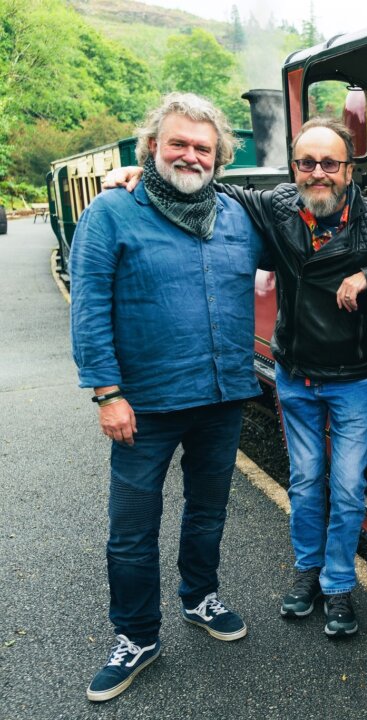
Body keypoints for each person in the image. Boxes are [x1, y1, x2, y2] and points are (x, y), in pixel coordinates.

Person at [108, 117, 367, 639]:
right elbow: (207, 182)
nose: (318, 173)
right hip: (294, 375)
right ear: (293, 169)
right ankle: (308, 570)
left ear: (348, 169)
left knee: (349, 485)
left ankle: (338, 586)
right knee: (307, 481)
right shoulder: (276, 207)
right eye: (306, 163)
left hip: (352, 379)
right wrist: (142, 173)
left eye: (329, 163)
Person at [71, 93, 263, 702]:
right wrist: (106, 392)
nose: (190, 155)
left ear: (219, 157)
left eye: (203, 147)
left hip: (221, 394)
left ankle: (200, 597)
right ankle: (136, 635)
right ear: (151, 146)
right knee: (132, 528)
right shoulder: (111, 212)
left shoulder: (238, 215)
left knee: (207, 511)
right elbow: (89, 305)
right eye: (177, 143)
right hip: (144, 404)